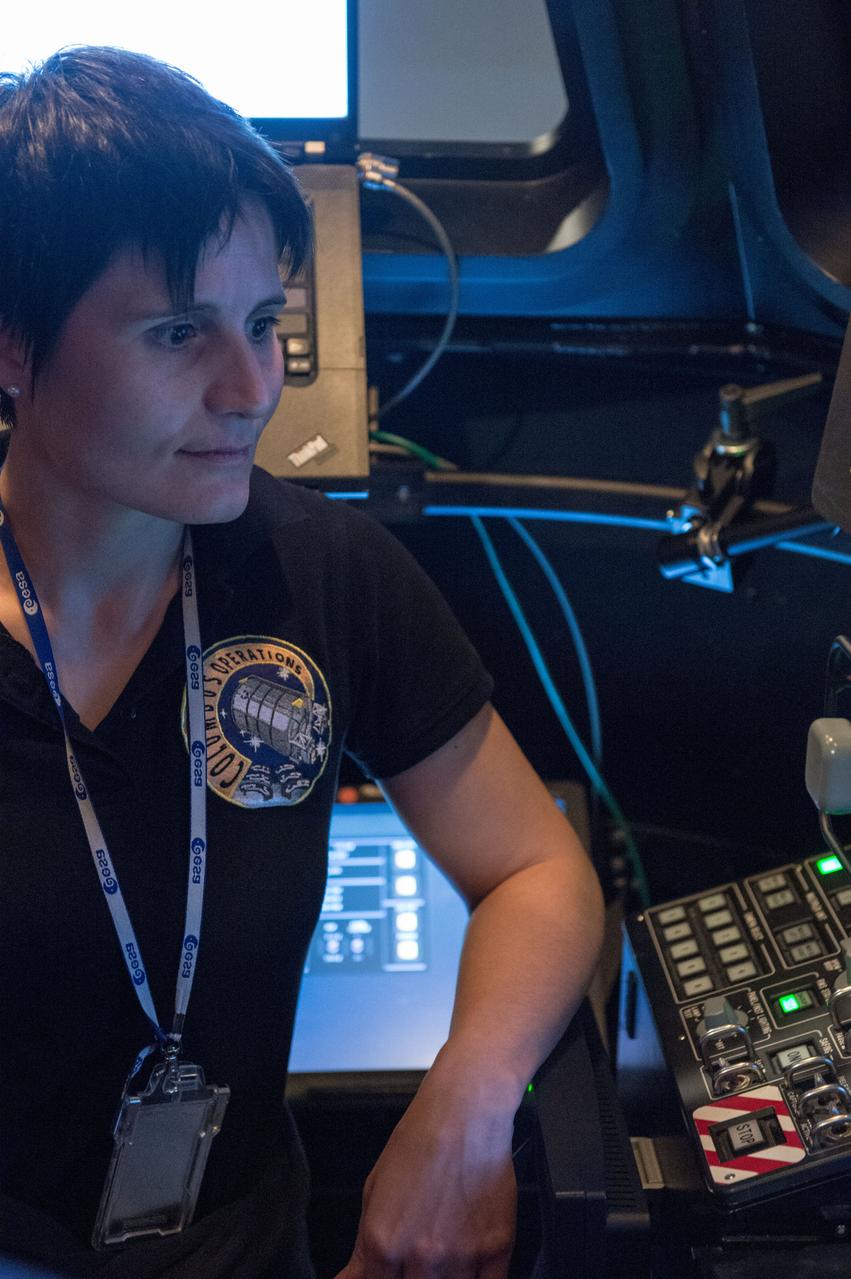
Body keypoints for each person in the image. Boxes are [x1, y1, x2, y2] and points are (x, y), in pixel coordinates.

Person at [0, 45, 605, 1279]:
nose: (251, 386)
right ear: (13, 346)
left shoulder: (319, 570)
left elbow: (535, 868)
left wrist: (468, 1105)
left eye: (265, 321)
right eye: (178, 332)